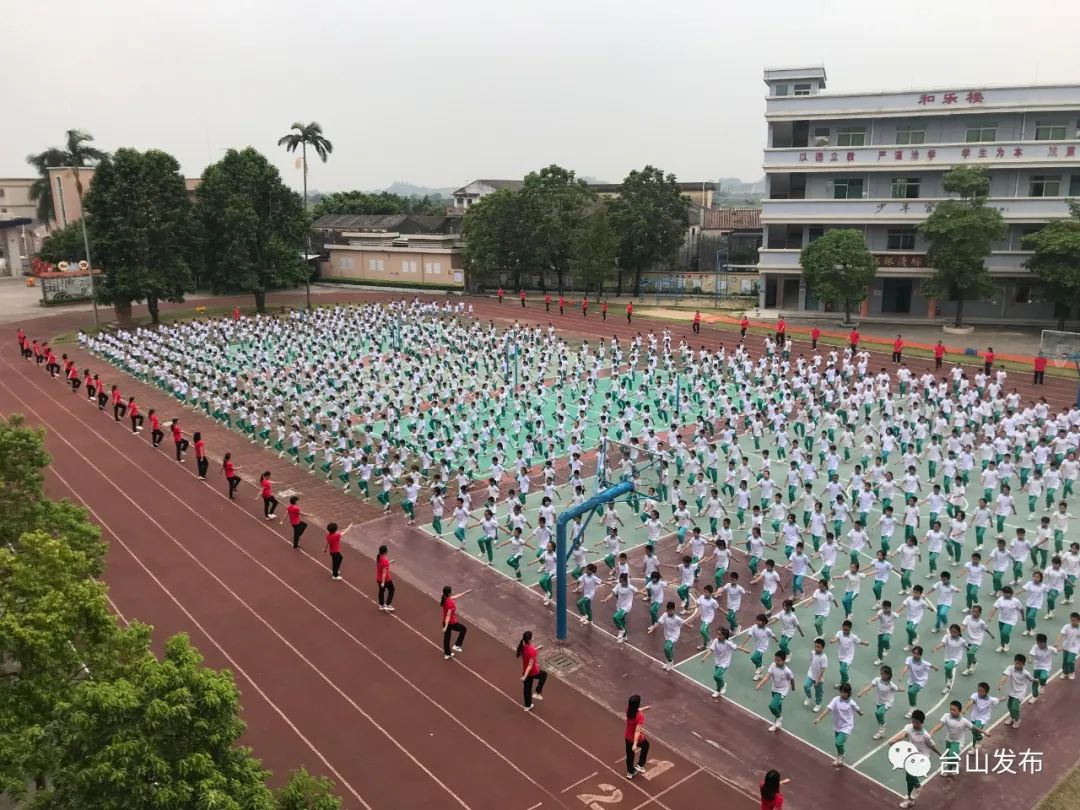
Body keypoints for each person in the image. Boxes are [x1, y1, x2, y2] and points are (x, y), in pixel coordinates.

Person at [814, 682, 862, 768]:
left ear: (848, 693)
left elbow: (857, 709)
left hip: (847, 726)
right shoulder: (836, 700)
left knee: (838, 743)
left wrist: (860, 713)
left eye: (845, 692)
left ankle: (841, 756)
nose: (842, 694)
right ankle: (840, 755)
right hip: (837, 726)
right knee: (838, 744)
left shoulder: (851, 703)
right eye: (841, 692)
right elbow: (828, 709)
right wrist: (819, 718)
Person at [516, 630, 547, 711]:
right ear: (529, 640)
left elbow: (530, 652)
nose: (533, 637)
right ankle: (537, 692)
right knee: (544, 675)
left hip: (524, 670)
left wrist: (537, 648)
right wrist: (525, 676)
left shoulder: (523, 647)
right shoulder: (532, 651)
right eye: (532, 637)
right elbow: (530, 666)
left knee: (527, 688)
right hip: (533, 671)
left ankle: (527, 705)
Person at [441, 585, 471, 659]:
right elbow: (448, 615)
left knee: (447, 638)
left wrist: (465, 593)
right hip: (451, 622)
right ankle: (457, 645)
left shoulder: (445, 598)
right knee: (463, 629)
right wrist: (446, 627)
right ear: (449, 593)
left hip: (445, 621)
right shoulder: (450, 603)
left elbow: (455, 597)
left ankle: (447, 654)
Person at [624, 694, 649, 780]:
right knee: (646, 746)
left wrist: (644, 709)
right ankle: (640, 765)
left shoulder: (628, 710)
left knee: (629, 755)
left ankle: (630, 772)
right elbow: (637, 731)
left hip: (627, 736)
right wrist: (635, 744)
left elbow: (636, 710)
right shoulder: (640, 717)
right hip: (635, 738)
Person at [376, 544, 395, 611]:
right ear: (384, 552)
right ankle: (387, 604)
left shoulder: (378, 557)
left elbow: (382, 566)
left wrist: (390, 562)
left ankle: (381, 605)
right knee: (392, 590)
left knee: (381, 591)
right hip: (386, 579)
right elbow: (384, 573)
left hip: (378, 578)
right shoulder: (385, 561)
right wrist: (383, 582)